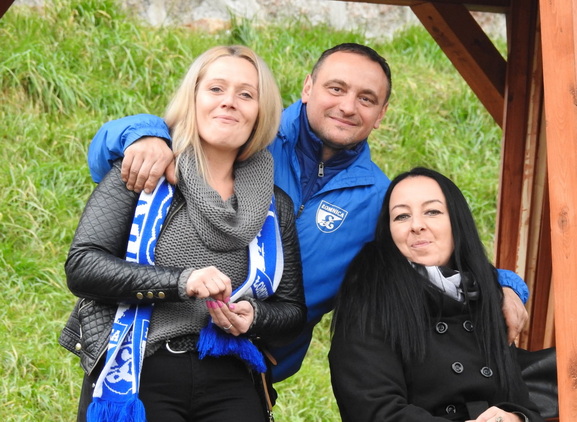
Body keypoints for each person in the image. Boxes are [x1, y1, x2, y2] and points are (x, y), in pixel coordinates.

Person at [85, 43, 530, 383]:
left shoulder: (378, 198)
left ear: (381, 114)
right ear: (307, 88)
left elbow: (428, 253)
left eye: (366, 99)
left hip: (254, 363)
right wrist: (144, 132)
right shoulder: (249, 131)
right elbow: (118, 151)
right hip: (152, 344)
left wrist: (503, 284)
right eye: (336, 89)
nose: (348, 106)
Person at [59, 45, 306, 422]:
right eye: (216, 89)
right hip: (142, 368)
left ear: (261, 112)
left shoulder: (276, 205)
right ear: (192, 98)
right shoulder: (143, 170)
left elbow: (291, 310)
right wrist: (181, 281)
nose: (229, 102)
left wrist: (254, 317)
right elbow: (83, 266)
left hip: (231, 374)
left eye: (246, 94)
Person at [328, 167, 544, 422]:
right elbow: (373, 411)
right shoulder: (369, 299)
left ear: (457, 222)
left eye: (432, 211)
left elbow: (524, 404)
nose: (416, 225)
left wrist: (516, 418)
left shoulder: (487, 294)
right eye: (401, 216)